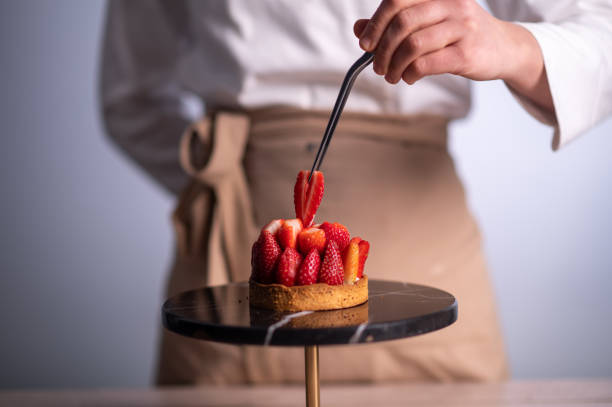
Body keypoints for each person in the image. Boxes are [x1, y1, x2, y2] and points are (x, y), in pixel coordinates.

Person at [100, 0, 612, 385]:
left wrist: (509, 43)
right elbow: (130, 97)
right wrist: (223, 190)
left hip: (429, 259)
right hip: (235, 266)